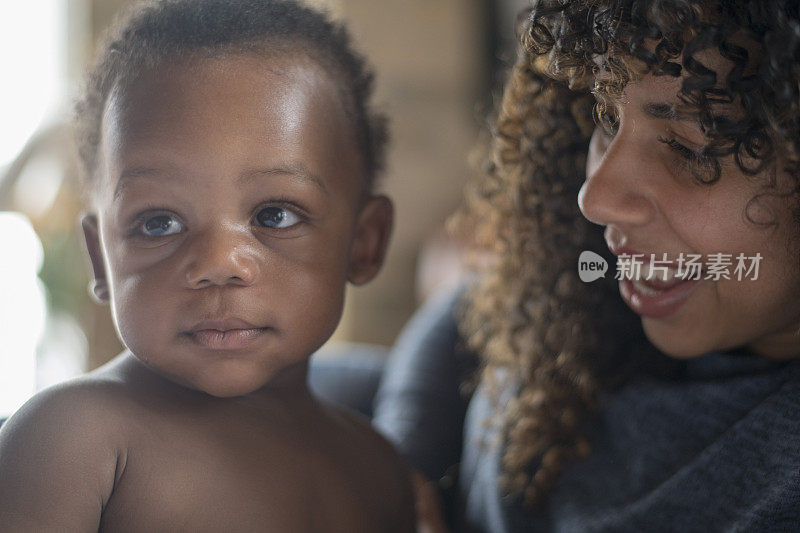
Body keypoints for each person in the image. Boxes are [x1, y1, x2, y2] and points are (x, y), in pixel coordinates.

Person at [373, 0, 800, 531]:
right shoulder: (593, 278)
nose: (595, 199)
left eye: (695, 151)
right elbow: (464, 311)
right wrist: (403, 463)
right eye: (608, 117)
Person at [0, 0, 415, 530]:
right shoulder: (74, 439)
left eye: (274, 214)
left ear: (363, 242)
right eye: (159, 223)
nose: (219, 264)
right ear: (100, 257)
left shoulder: (377, 471)